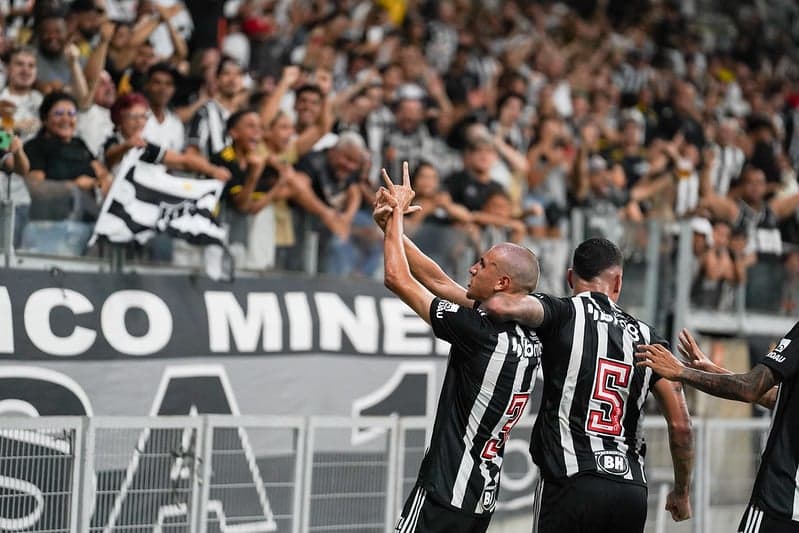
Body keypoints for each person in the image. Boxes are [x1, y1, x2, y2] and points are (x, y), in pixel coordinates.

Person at [378, 162, 543, 532]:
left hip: (444, 488)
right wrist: (392, 228)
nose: (471, 268)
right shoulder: (528, 333)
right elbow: (438, 279)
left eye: (481, 264)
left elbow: (396, 278)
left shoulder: (479, 331)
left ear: (501, 282)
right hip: (479, 497)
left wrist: (397, 216)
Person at [637, 328, 797, 533]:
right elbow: (779, 399)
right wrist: (712, 370)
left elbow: (750, 388)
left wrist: (680, 371)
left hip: (779, 505)